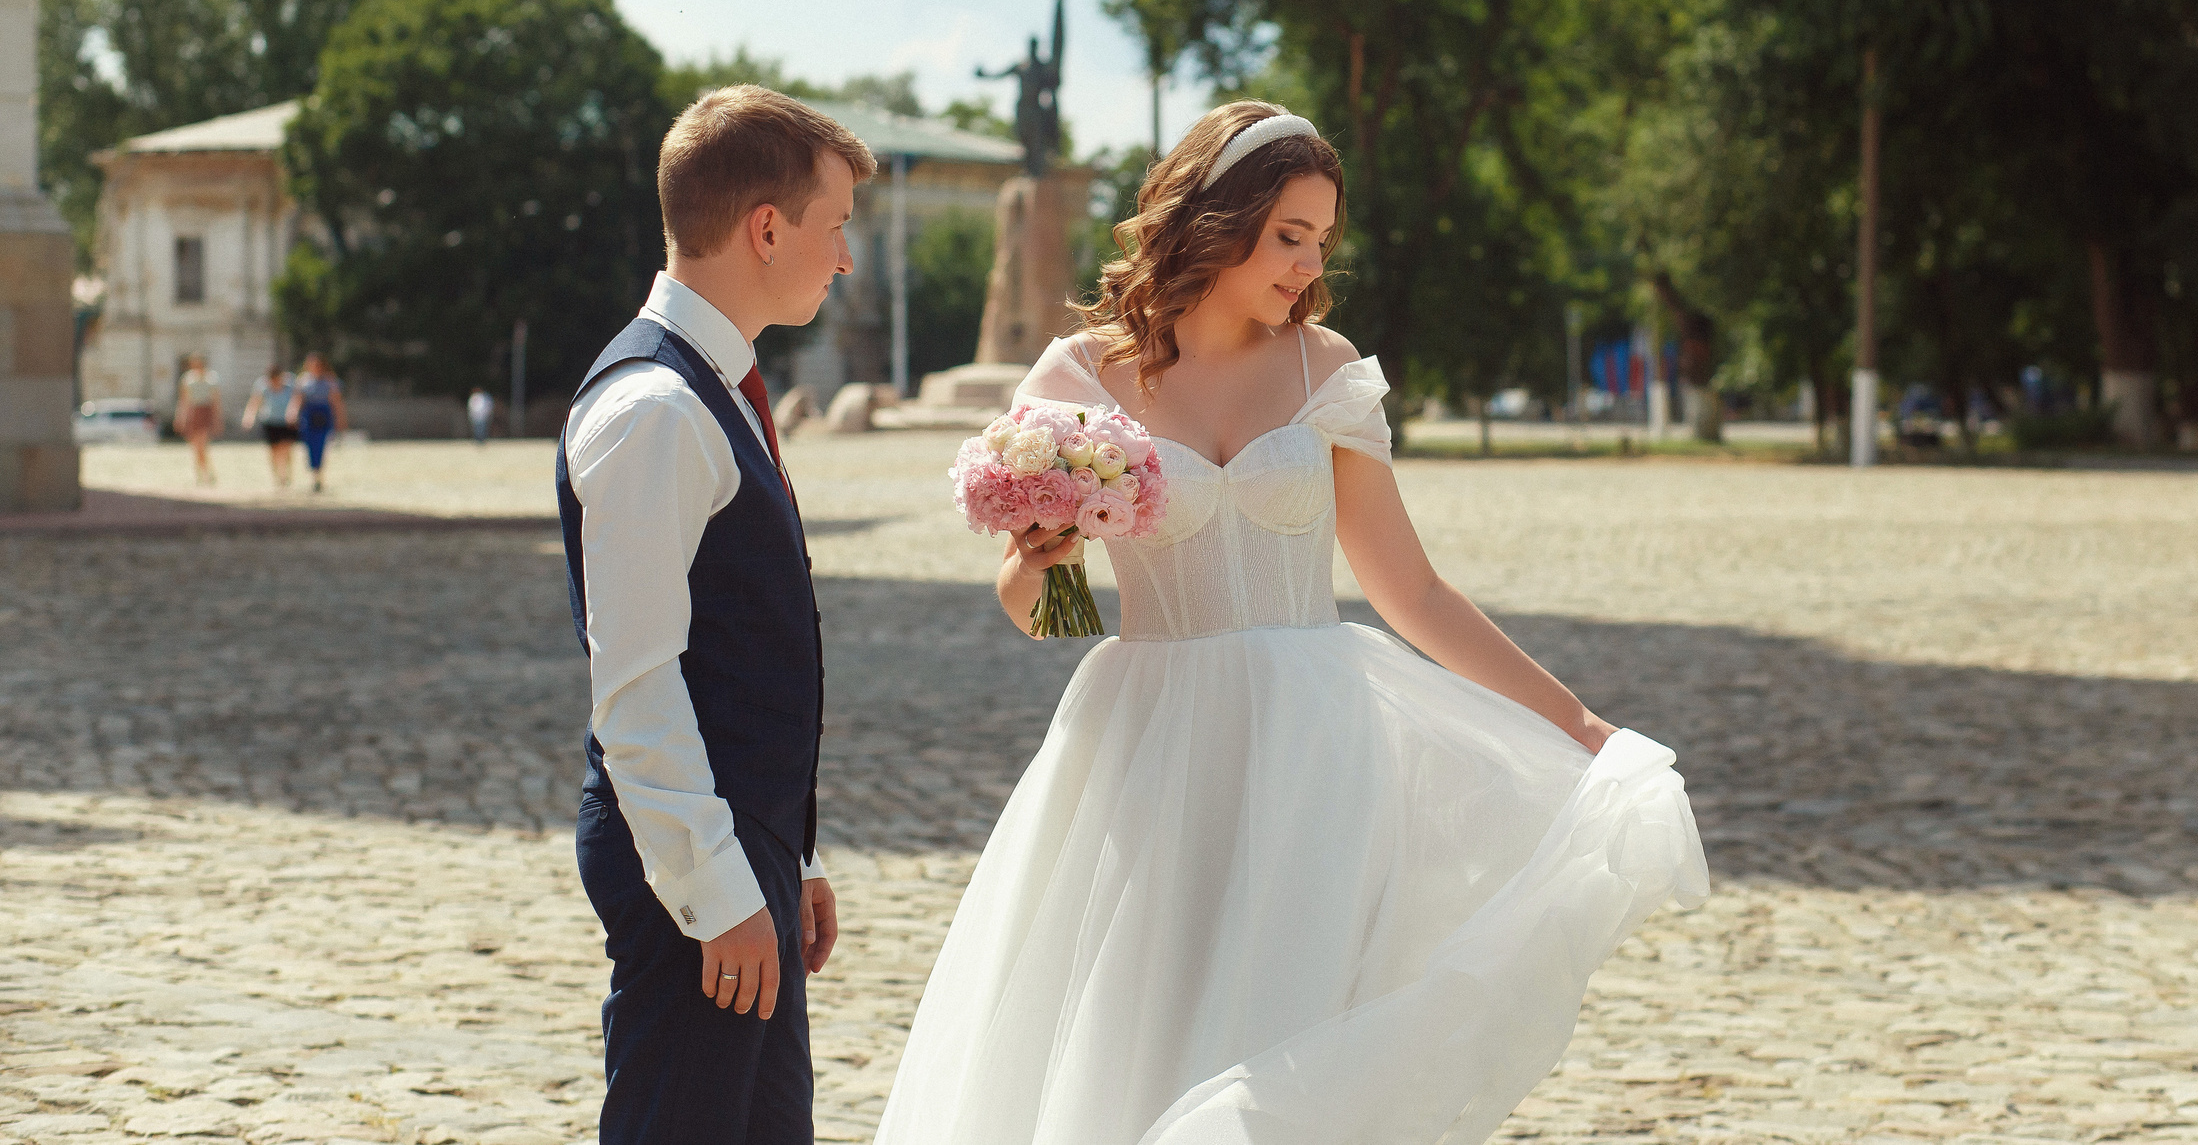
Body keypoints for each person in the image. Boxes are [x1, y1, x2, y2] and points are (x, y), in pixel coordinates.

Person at [874, 103, 1711, 1145]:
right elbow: (1045, 610)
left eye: (1321, 241)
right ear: (1215, 222)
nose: (1307, 266)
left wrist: (1575, 723)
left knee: (1294, 1017)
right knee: (1146, 1017)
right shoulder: (1079, 381)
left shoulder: (1328, 371)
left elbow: (1411, 592)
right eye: (1287, 236)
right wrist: (1040, 558)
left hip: (1315, 747)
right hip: (1150, 743)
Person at [559, 86, 875, 1145]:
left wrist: (792, 859)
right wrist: (714, 885)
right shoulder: (655, 408)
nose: (842, 259)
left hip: (747, 852)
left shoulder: (716, 388)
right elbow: (638, 682)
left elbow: (739, 653)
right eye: (835, 229)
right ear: (766, 227)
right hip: (691, 861)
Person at [287, 354, 342, 493]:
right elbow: (297, 400)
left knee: (322, 445)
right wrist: (292, 414)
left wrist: (341, 419)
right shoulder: (303, 381)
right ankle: (314, 474)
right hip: (309, 417)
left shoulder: (330, 381)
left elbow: (336, 402)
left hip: (323, 417)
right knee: (310, 446)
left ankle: (318, 474)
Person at [241, 364, 297, 488]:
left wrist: (293, 413)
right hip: (270, 421)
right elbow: (255, 402)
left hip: (286, 422)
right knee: (274, 451)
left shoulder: (290, 384)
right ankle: (277, 476)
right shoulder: (262, 385)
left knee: (286, 449)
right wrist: (248, 418)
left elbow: (296, 400)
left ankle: (286, 474)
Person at [173, 353, 221, 485]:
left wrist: (217, 420)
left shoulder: (212, 379)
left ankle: (205, 474)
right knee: (195, 446)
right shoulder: (187, 379)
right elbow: (183, 401)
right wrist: (180, 417)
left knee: (202, 445)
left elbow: (216, 401)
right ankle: (201, 473)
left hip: (205, 412)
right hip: (192, 413)